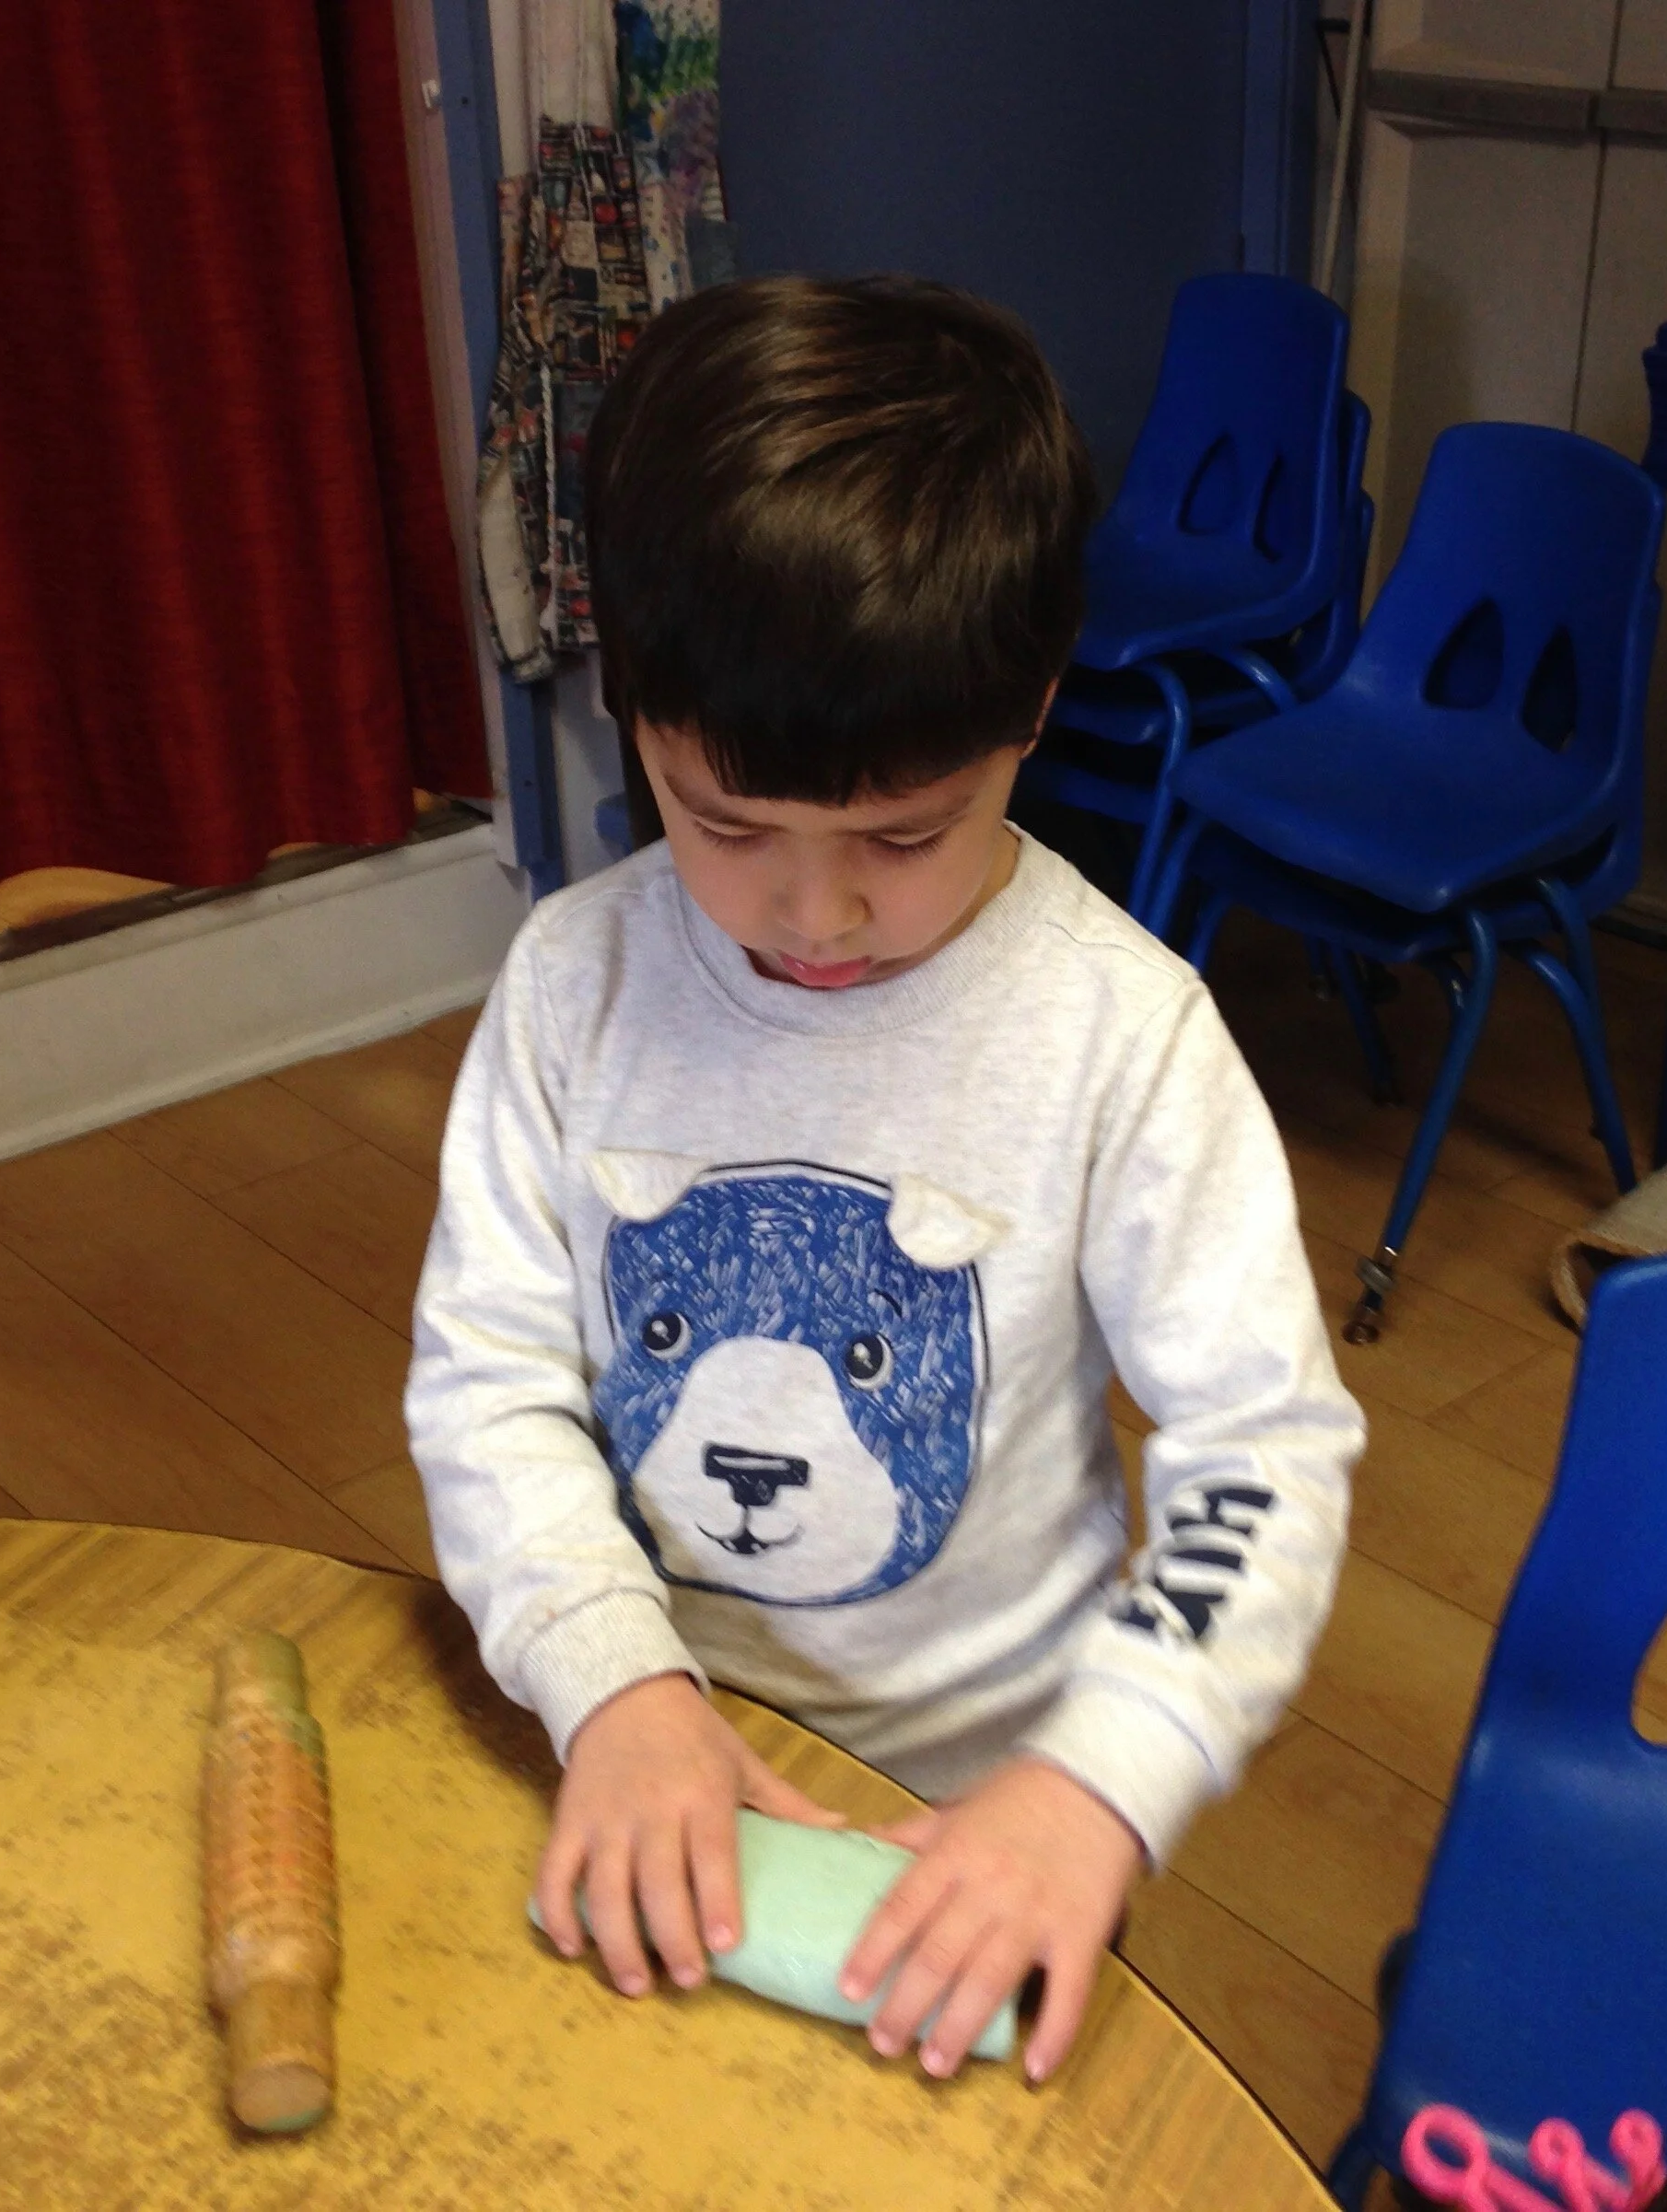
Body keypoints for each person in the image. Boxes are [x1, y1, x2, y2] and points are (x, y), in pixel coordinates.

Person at [405, 275, 1360, 2086]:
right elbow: (489, 1375)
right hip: (636, 1739)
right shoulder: (570, 983)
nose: (815, 909)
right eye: (721, 820)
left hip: (990, 1825)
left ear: (1033, 712)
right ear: (634, 712)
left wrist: (1097, 1784)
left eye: (903, 834)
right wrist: (611, 1676)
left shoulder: (1123, 1035)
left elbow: (1263, 1447)